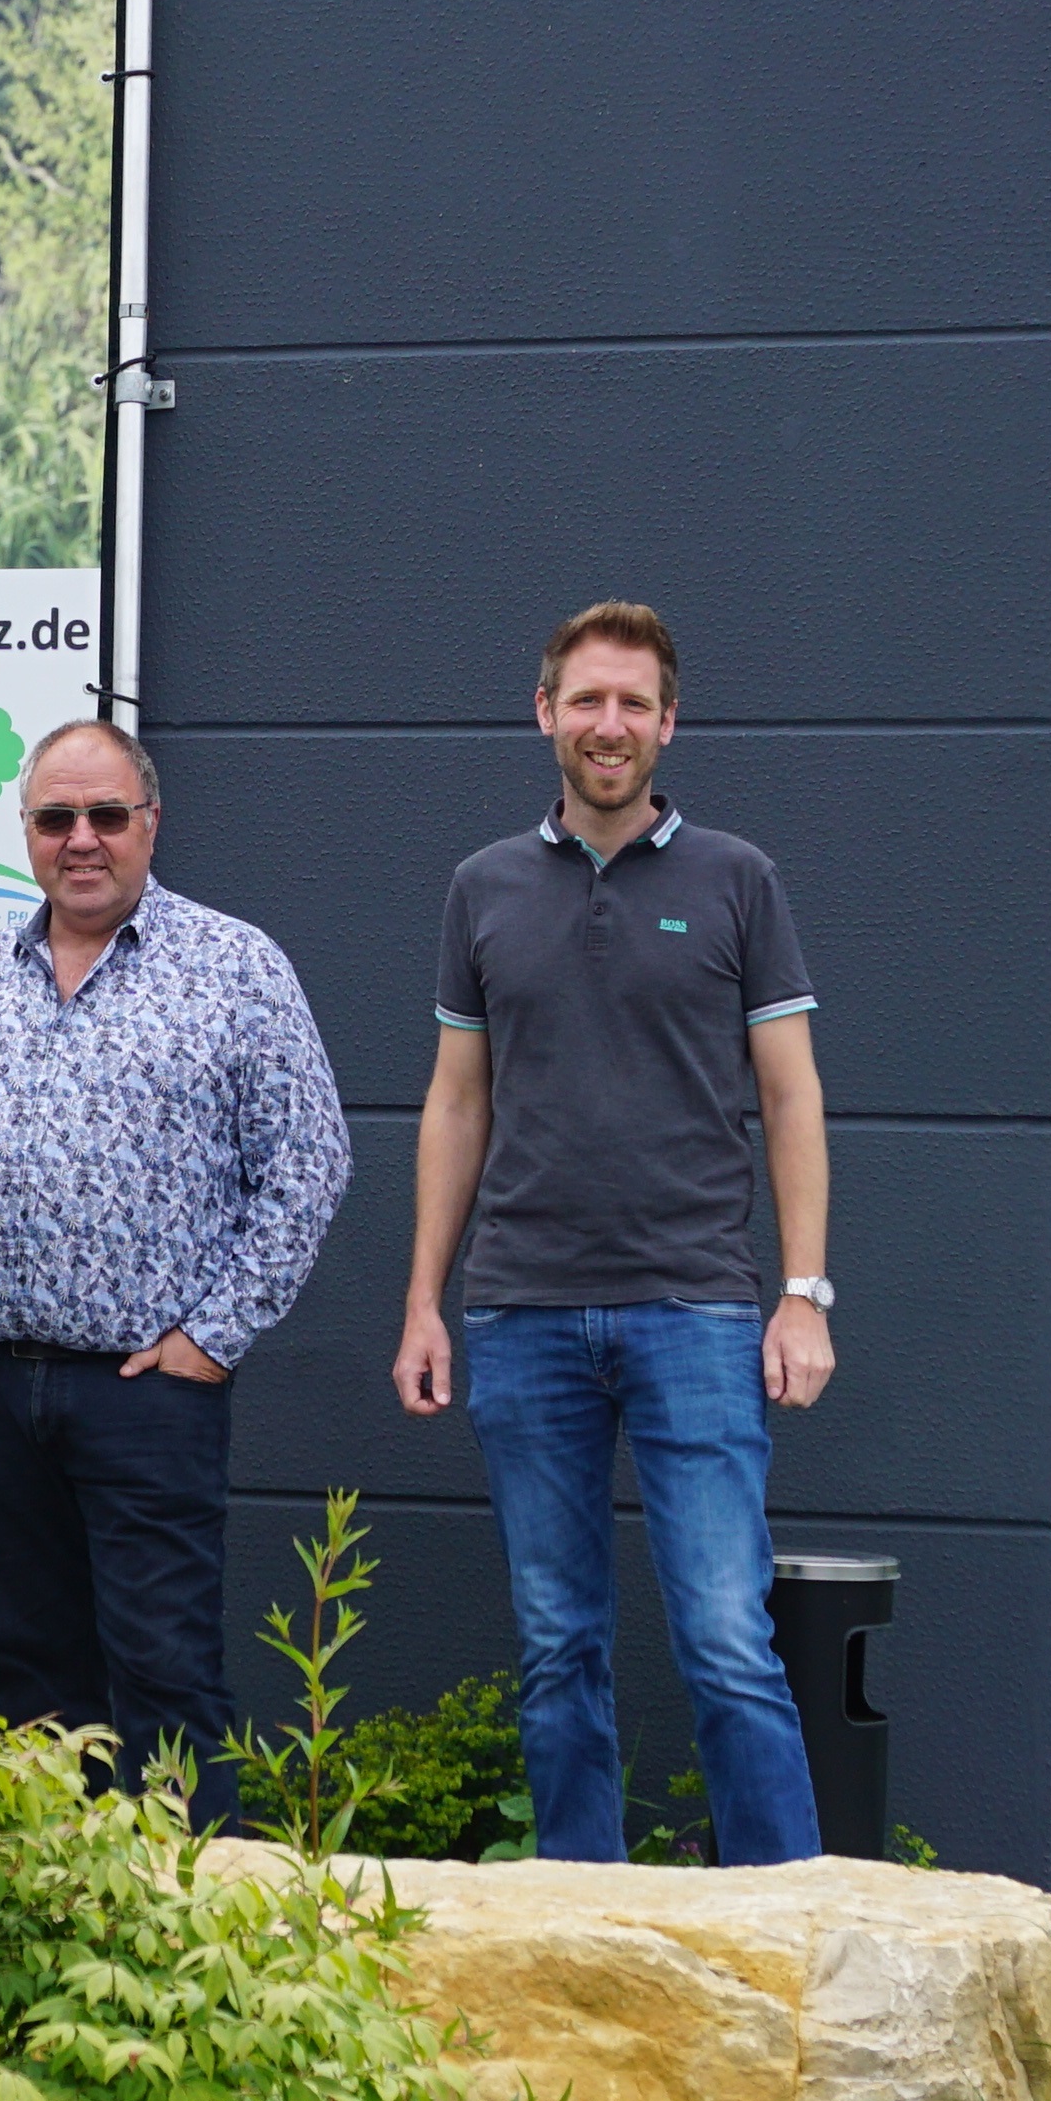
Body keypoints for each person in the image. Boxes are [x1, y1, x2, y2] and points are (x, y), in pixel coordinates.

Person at [393, 602, 837, 1864]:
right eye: (586, 699)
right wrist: (426, 1299)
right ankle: (577, 1921)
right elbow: (456, 1100)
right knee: (556, 1643)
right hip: (520, 1310)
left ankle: (787, 1923)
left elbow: (793, 1093)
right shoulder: (481, 888)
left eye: (634, 703)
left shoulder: (737, 879)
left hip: (693, 1306)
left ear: (668, 723)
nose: (609, 724)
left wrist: (802, 1291)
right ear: (545, 713)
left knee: (724, 1638)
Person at [0, 718, 347, 1809]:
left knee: (167, 1674)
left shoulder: (233, 967)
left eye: (106, 815)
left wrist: (212, 1340)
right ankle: (55, 1940)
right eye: (55, 817)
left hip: (147, 1392)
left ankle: (198, 1936)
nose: (82, 838)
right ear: (24, 833)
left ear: (150, 824)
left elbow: (310, 1166)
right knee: (28, 1683)